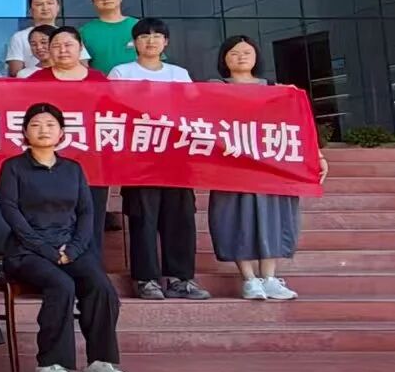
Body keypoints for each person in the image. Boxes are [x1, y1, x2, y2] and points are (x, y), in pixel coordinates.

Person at [0, 102, 127, 372]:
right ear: (24, 132)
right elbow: (12, 214)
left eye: (50, 125)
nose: (43, 130)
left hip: (69, 249)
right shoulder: (13, 168)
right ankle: (51, 361)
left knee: (101, 286)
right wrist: (46, 250)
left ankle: (100, 362)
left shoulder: (73, 169)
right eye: (35, 125)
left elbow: (86, 212)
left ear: (61, 132)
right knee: (61, 284)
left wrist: (75, 248)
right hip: (26, 252)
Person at [208, 35, 326, 300]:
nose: (241, 57)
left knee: (274, 215)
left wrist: (316, 154)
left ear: (256, 57)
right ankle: (249, 279)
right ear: (224, 59)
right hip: (232, 165)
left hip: (271, 165)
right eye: (234, 53)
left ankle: (270, 277)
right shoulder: (214, 87)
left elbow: (297, 124)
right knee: (235, 217)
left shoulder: (276, 88)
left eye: (246, 52)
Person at [108, 18, 208, 300]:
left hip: (176, 157)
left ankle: (180, 278)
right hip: (139, 157)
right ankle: (146, 279)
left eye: (157, 36)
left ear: (166, 42)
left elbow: (193, 109)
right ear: (134, 43)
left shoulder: (179, 73)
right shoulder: (121, 72)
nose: (150, 41)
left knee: (180, 218)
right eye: (144, 36)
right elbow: (113, 110)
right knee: (143, 218)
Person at [6, 0, 89, 76]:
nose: (45, 8)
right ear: (30, 10)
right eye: (39, 4)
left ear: (58, 7)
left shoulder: (70, 34)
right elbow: (15, 73)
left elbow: (84, 66)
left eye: (50, 3)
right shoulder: (19, 37)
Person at [82, 0, 139, 75]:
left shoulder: (139, 26)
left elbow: (155, 60)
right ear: (93, 1)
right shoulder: (84, 32)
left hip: (138, 83)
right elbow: (83, 66)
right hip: (101, 83)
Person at [22, 27, 105, 82]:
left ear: (80, 47)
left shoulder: (97, 78)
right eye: (56, 46)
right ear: (50, 49)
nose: (62, 50)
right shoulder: (37, 78)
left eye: (68, 45)